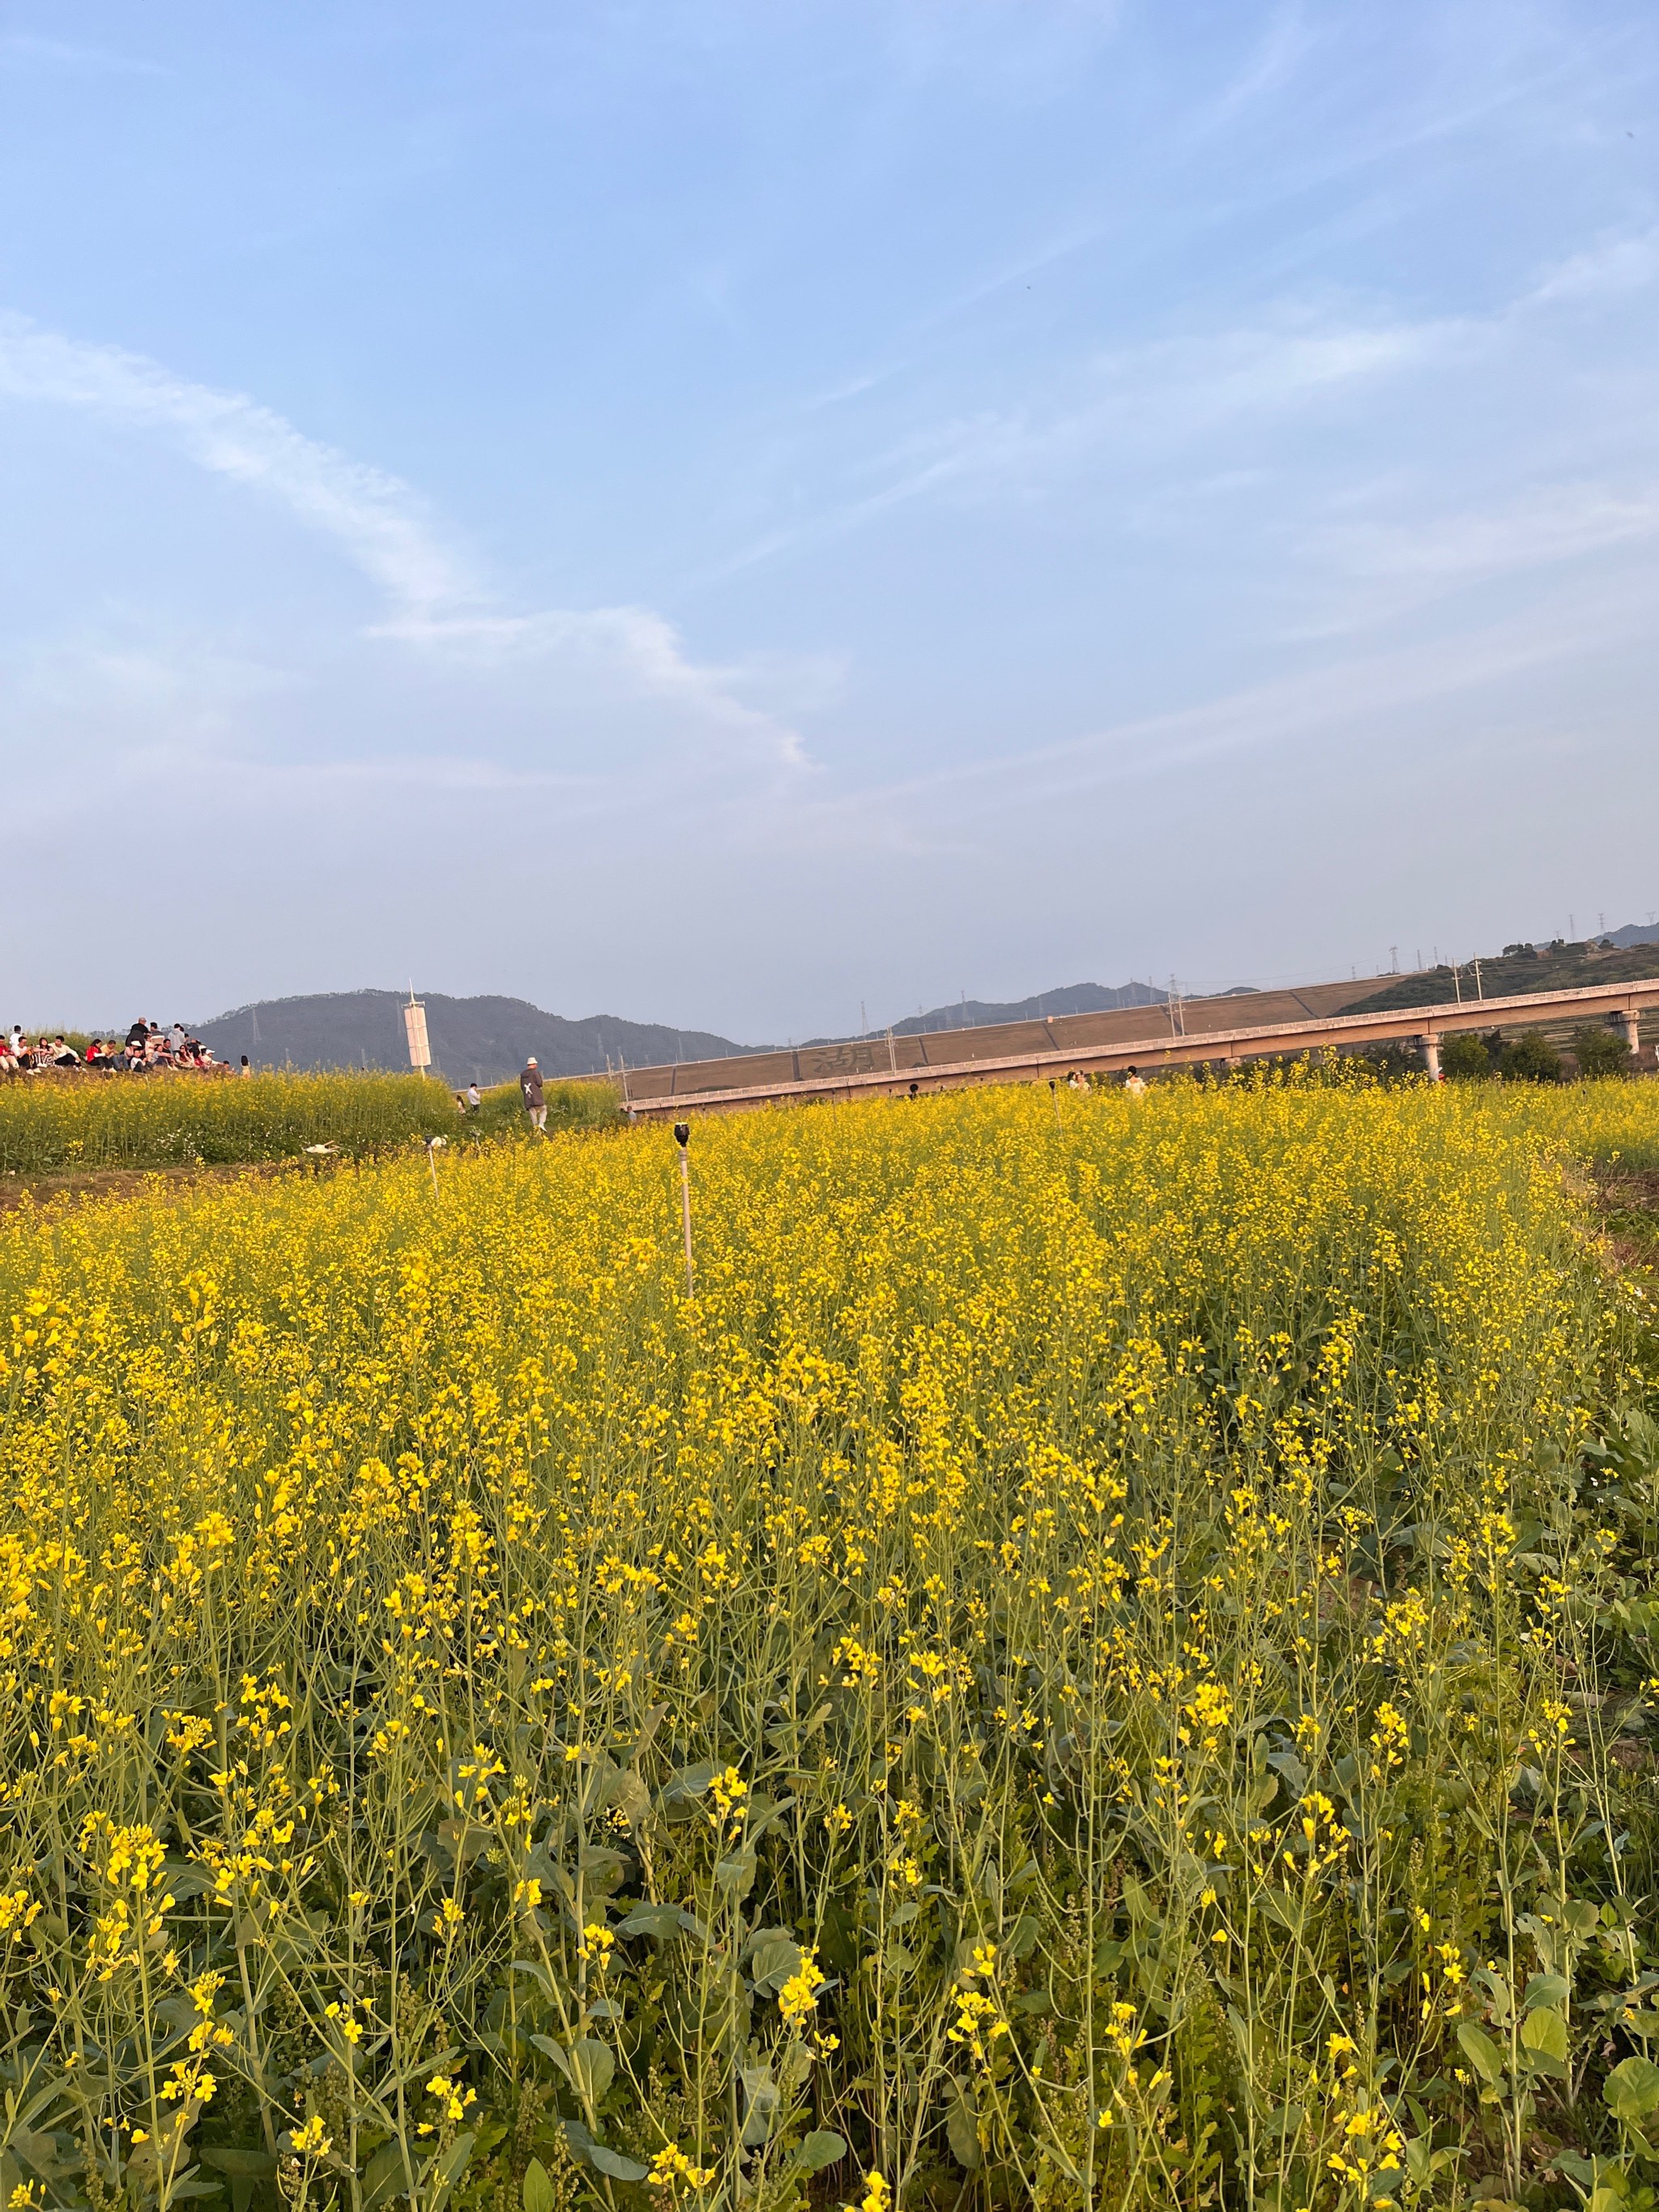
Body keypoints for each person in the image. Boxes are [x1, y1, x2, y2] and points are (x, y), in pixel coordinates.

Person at [519, 1057, 547, 1133]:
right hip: (537, 1097)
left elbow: (522, 1087)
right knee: (543, 1110)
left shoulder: (523, 1075)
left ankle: (536, 1130)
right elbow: (540, 1083)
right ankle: (541, 1124)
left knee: (533, 1114)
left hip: (528, 1099)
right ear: (534, 1064)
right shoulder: (535, 1072)